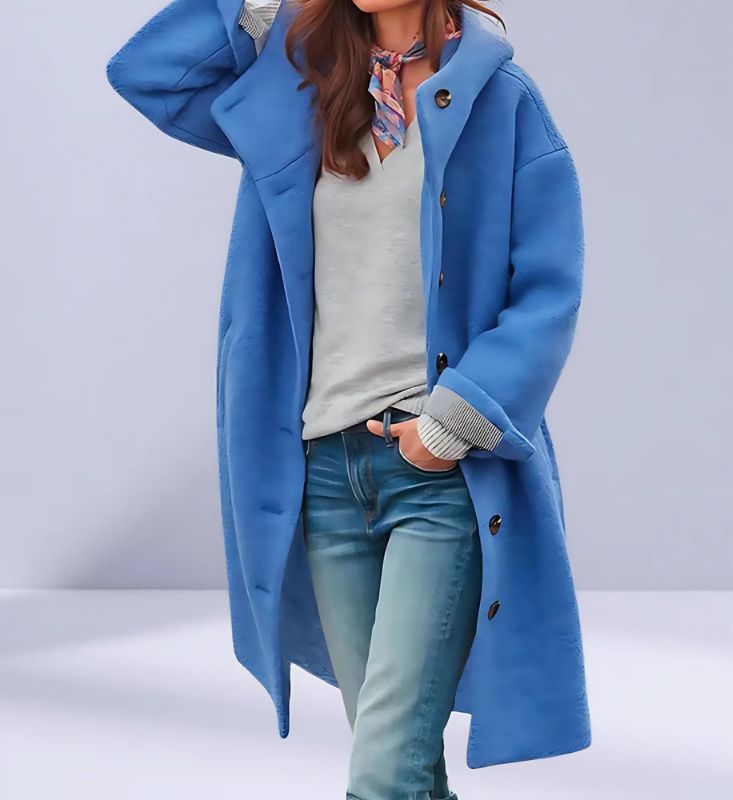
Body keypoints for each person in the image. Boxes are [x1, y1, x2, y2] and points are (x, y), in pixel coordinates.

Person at [106, 0, 592, 797]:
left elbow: (547, 291)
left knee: (381, 772)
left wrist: (450, 425)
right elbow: (148, 74)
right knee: (402, 764)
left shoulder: (501, 102)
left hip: (436, 472)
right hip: (325, 475)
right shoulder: (305, 90)